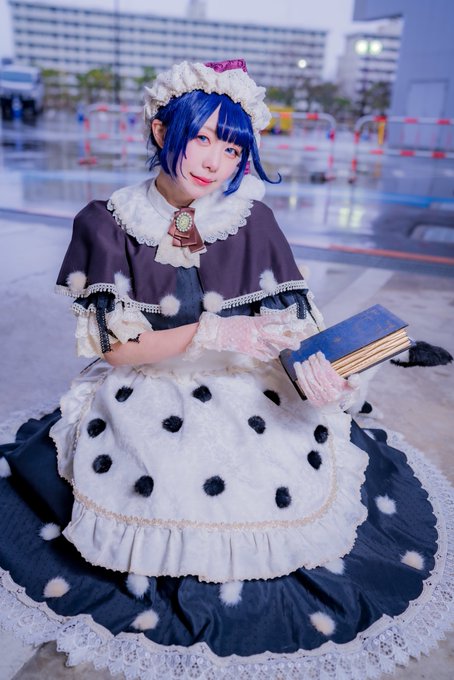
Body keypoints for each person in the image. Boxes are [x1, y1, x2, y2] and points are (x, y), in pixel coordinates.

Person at [0, 59, 452, 680]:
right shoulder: (107, 222)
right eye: (203, 137)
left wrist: (325, 372)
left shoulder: (251, 218)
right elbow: (115, 350)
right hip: (151, 381)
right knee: (161, 472)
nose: (215, 162)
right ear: (162, 131)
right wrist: (209, 332)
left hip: (249, 373)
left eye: (233, 147)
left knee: (277, 460)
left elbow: (290, 325)